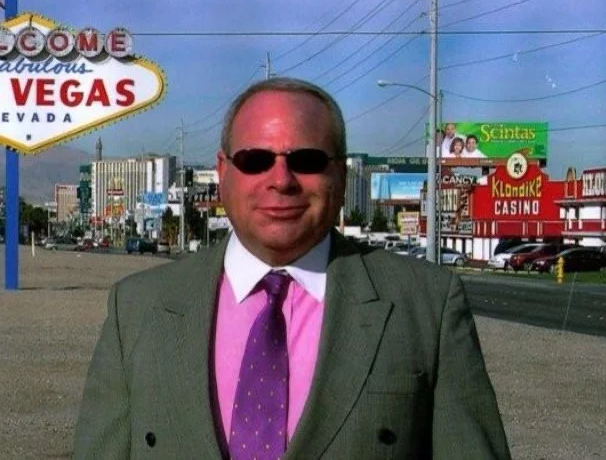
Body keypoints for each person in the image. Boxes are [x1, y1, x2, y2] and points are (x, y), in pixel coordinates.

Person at [73, 77, 511, 459]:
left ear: (339, 176)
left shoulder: (426, 306)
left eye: (306, 160)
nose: (281, 179)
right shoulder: (138, 308)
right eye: (255, 160)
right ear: (222, 171)